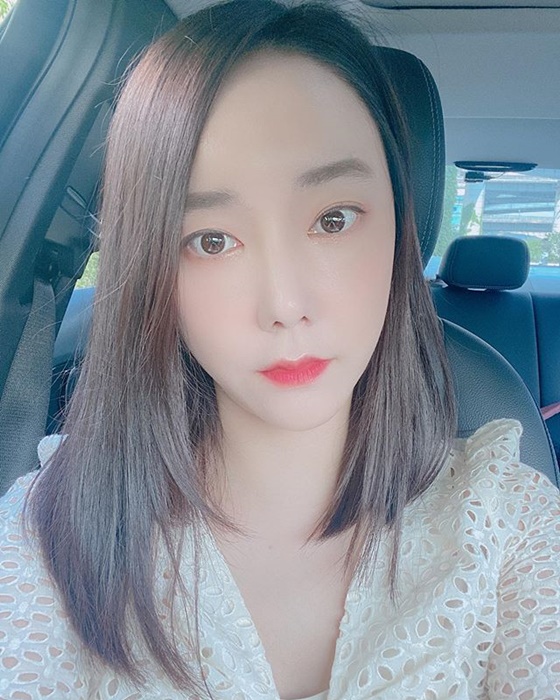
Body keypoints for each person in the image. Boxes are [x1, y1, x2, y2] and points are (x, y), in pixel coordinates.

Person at [1, 1, 559, 698]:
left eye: (333, 219)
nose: (285, 304)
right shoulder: (49, 535)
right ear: (151, 266)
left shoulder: (504, 521)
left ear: (400, 226)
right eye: (212, 240)